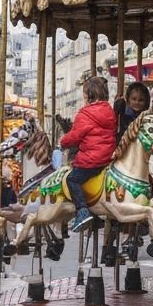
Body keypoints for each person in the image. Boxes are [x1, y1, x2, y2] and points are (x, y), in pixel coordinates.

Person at [59, 75, 117, 233]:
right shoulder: (109, 111)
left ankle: (83, 210)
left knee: (72, 179)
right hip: (107, 157)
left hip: (91, 160)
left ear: (88, 94)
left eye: (84, 93)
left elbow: (75, 136)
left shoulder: (85, 114)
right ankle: (95, 214)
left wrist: (62, 143)